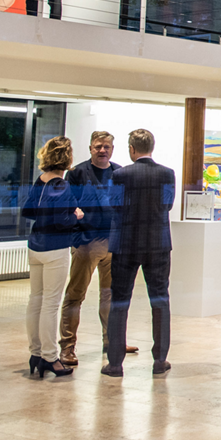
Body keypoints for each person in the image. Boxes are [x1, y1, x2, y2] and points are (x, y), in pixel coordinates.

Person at [59, 130, 136, 368]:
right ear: (90, 148)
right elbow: (68, 205)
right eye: (98, 146)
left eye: (106, 147)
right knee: (75, 295)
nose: (102, 150)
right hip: (87, 242)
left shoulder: (120, 173)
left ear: (113, 149)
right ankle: (68, 347)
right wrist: (78, 237)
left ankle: (112, 341)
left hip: (114, 242)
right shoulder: (77, 173)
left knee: (111, 295)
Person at [103, 129, 175, 376]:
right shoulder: (167, 174)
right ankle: (159, 359)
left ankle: (114, 363)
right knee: (160, 300)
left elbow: (114, 204)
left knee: (120, 301)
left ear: (131, 149)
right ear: (152, 147)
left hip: (125, 244)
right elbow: (167, 204)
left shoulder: (120, 174)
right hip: (157, 244)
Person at [21, 136, 84, 378]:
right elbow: (62, 221)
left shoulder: (41, 180)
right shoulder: (61, 184)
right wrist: (75, 215)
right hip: (55, 248)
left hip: (35, 245)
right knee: (50, 304)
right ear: (67, 157)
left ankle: (35, 352)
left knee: (35, 299)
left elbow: (28, 211)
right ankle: (50, 357)